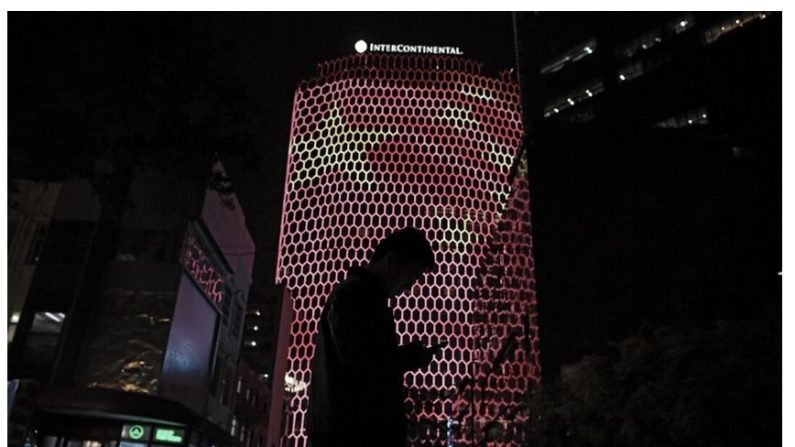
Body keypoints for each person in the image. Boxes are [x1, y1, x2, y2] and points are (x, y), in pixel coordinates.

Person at [306, 227, 445, 447]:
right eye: (411, 276)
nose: (408, 287)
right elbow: (364, 366)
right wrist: (409, 357)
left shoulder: (361, 296)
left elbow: (368, 359)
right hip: (351, 434)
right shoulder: (357, 296)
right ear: (391, 261)